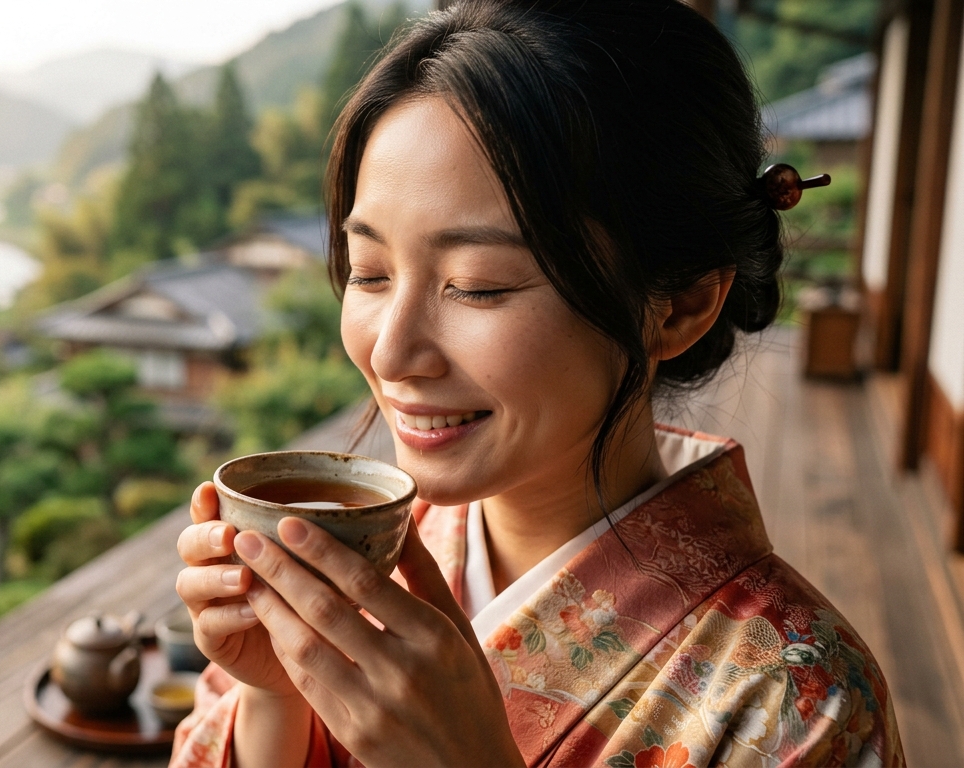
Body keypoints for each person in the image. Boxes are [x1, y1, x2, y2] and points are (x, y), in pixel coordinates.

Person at [171, 1, 903, 765]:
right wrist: (276, 696)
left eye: (478, 285)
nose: (390, 352)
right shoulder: (362, 553)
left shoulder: (798, 702)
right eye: (370, 272)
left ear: (680, 304)